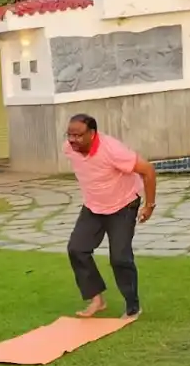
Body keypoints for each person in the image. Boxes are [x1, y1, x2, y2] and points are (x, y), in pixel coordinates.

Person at [64, 113, 158, 319]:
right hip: (93, 207)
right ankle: (97, 300)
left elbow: (148, 171)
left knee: (120, 257)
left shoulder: (112, 150)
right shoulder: (70, 148)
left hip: (124, 205)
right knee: (77, 249)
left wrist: (149, 205)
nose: (72, 140)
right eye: (69, 135)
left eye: (78, 135)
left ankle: (132, 306)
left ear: (92, 134)